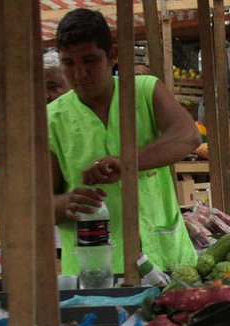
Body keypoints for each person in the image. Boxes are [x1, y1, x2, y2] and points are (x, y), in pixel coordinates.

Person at [48, 8, 199, 276]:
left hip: (165, 261)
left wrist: (128, 162)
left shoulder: (145, 91)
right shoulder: (51, 119)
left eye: (89, 60)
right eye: (68, 63)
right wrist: (65, 204)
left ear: (113, 56)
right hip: (95, 273)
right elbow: (39, 205)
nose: (80, 73)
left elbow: (188, 136)